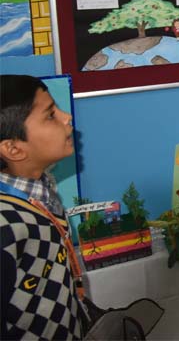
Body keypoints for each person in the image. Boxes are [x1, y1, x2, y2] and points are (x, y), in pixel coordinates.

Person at [1, 74, 86, 339]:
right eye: (50, 115)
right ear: (13, 149)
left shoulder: (42, 192)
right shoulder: (5, 225)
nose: (66, 117)